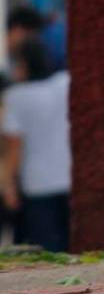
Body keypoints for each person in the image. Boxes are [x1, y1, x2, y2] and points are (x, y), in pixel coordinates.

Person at [2, 37, 71, 252]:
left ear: (24, 64)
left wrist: (8, 186)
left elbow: (14, 150)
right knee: (71, 243)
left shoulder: (16, 97)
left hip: (37, 185)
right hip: (69, 178)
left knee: (49, 249)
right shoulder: (64, 82)